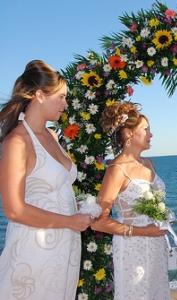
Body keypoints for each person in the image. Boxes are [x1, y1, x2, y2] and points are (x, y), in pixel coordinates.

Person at [0, 60, 92, 299]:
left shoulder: (52, 135)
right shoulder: (17, 142)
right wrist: (69, 221)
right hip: (35, 249)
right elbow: (14, 210)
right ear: (40, 95)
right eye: (61, 97)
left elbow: (55, 188)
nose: (65, 104)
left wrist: (76, 208)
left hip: (65, 247)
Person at [91, 102, 169, 300]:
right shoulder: (117, 169)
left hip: (156, 245)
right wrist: (144, 232)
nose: (151, 135)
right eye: (146, 130)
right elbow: (98, 220)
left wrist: (163, 219)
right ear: (128, 134)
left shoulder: (148, 164)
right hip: (132, 247)